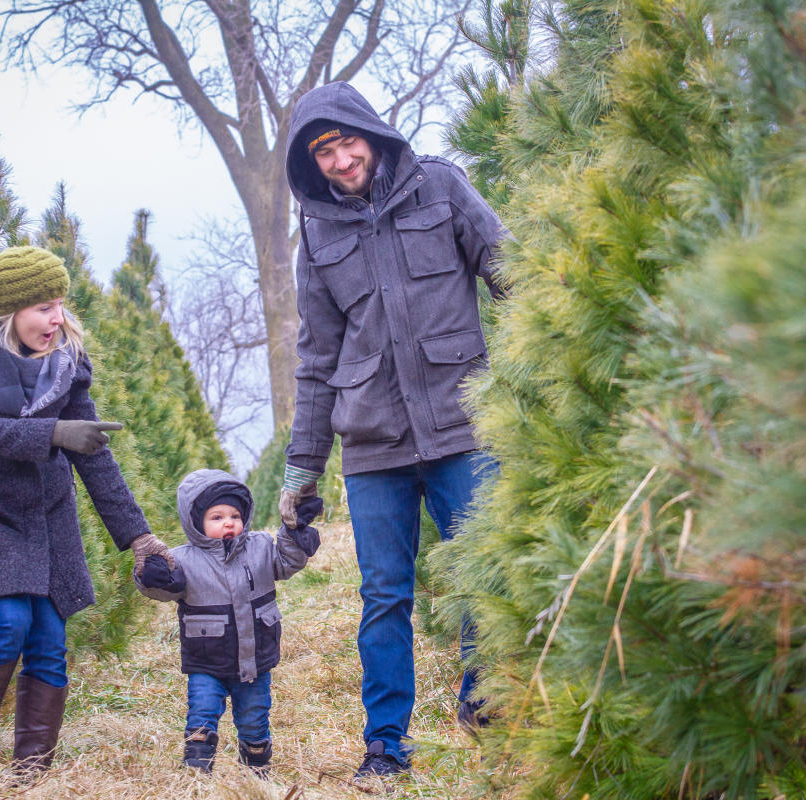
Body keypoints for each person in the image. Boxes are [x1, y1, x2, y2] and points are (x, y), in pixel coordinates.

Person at [279, 82, 507, 778]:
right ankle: (385, 743)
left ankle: (488, 704)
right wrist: (301, 468)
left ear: (372, 135)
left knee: (482, 573)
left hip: (462, 424)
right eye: (324, 152)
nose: (342, 159)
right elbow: (317, 359)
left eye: (347, 141)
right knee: (384, 596)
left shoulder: (438, 188)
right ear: (311, 163)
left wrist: (549, 363)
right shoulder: (317, 238)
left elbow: (511, 270)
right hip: (373, 442)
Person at [0, 245, 174, 788]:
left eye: (61, 305)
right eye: (44, 308)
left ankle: (32, 775)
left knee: (49, 637)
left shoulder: (65, 357)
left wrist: (139, 537)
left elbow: (93, 454)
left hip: (45, 508)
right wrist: (53, 433)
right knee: (8, 622)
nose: (58, 319)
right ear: (7, 312)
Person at [135, 469, 322, 776]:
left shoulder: (260, 547)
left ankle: (256, 768)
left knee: (254, 718)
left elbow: (287, 563)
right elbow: (160, 590)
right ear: (196, 522)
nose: (229, 523)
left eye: (235, 515)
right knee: (202, 714)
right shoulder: (182, 560)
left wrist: (294, 535)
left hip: (255, 661)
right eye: (217, 517)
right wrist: (149, 575)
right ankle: (197, 770)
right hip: (206, 662)